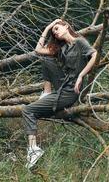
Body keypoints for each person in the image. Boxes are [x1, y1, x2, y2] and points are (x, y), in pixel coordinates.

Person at [22, 19, 97, 169]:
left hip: (72, 91)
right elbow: (38, 50)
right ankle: (47, 92)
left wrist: (81, 76)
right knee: (45, 58)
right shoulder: (61, 48)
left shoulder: (80, 42)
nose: (55, 33)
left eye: (57, 28)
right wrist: (48, 26)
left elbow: (94, 54)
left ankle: (33, 150)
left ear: (66, 26)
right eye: (53, 32)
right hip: (63, 84)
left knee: (27, 109)